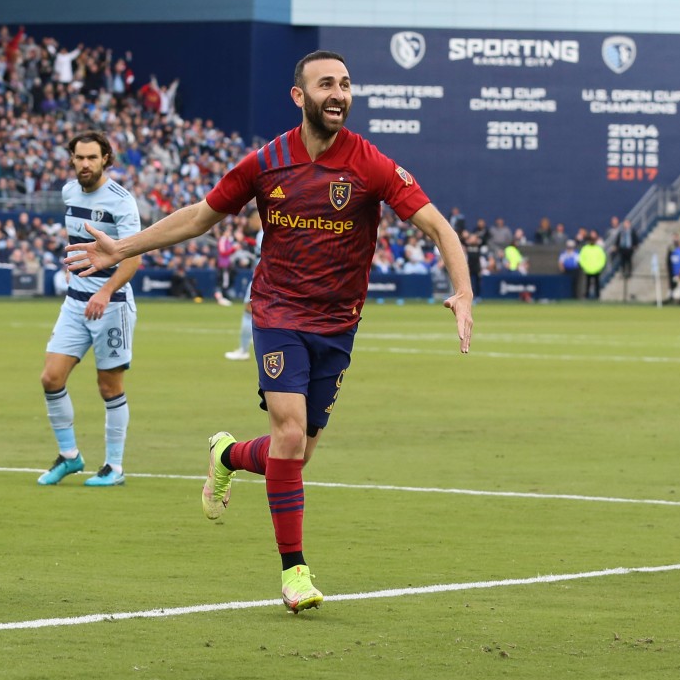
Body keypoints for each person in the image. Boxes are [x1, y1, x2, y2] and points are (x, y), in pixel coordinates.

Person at [64, 50, 473, 613]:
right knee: (287, 435)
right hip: (278, 313)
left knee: (296, 455)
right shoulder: (267, 162)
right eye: (326, 83)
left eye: (346, 84)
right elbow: (199, 216)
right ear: (299, 96)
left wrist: (463, 290)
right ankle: (294, 572)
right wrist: (123, 247)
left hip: (338, 324)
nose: (339, 93)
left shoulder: (370, 164)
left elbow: (437, 225)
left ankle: (228, 456)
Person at [37, 131, 142, 488]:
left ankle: (115, 466)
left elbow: (133, 258)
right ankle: (70, 457)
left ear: (106, 159)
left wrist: (106, 290)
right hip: (75, 303)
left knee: (108, 386)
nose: (85, 164)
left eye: (92, 158)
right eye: (79, 158)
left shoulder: (121, 201)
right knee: (51, 377)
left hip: (111, 305)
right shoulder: (68, 192)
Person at [225, 209, 263, 361]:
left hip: (261, 276)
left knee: (249, 310)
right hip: (266, 276)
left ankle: (243, 349)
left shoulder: (263, 233)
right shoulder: (265, 232)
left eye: (251, 220)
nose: (249, 224)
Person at [578, 232, 606, 299]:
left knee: (597, 283)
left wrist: (599, 267)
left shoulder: (598, 249)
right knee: (587, 283)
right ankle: (587, 295)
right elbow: (581, 258)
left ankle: (597, 296)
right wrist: (584, 267)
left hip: (596, 269)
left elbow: (602, 259)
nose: (592, 241)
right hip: (588, 269)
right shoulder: (585, 248)